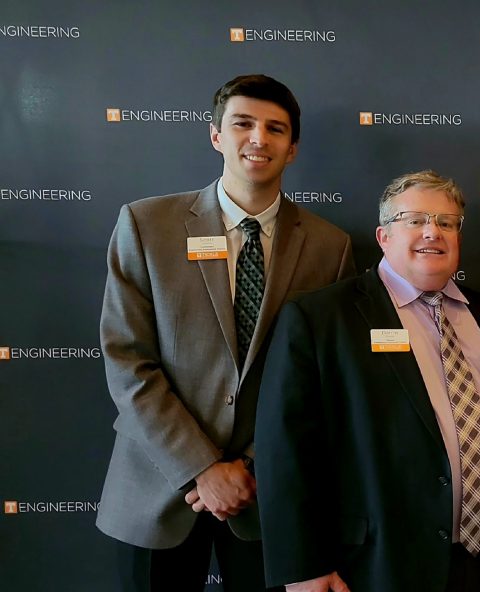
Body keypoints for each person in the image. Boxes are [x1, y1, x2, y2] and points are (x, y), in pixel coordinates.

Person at [96, 74, 355, 592]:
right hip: (157, 489)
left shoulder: (332, 247)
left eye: (275, 129)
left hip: (267, 497)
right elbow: (127, 361)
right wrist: (203, 468)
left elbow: (325, 380)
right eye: (243, 123)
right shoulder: (147, 225)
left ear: (293, 148)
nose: (259, 138)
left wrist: (252, 465)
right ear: (216, 136)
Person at [254, 170, 480, 592]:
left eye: (446, 222)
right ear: (383, 236)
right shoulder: (322, 319)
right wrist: (303, 566)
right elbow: (286, 451)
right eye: (415, 219)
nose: (432, 232)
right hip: (380, 565)